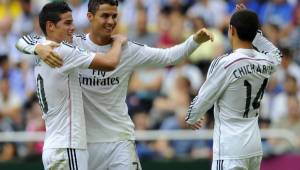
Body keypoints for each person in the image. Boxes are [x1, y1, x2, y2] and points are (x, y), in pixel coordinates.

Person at [16, 0, 213, 169]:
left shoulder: (129, 50)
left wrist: (194, 41)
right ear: (90, 16)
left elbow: (168, 56)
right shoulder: (72, 44)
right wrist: (38, 47)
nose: (110, 21)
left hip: (119, 140)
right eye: (105, 16)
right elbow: (28, 39)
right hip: (84, 144)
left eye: (114, 16)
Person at [16, 2, 126, 170]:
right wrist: (118, 41)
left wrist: (36, 47)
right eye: (67, 23)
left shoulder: (43, 47)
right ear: (50, 26)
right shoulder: (63, 51)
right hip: (68, 147)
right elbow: (110, 62)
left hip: (55, 145)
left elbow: (22, 41)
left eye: (72, 22)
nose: (73, 28)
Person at [185, 5, 282, 170]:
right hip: (254, 146)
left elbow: (203, 98)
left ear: (231, 30)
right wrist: (254, 33)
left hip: (230, 149)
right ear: (254, 33)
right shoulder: (267, 61)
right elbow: (276, 54)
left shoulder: (225, 63)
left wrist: (192, 117)